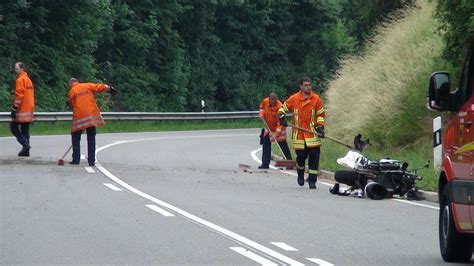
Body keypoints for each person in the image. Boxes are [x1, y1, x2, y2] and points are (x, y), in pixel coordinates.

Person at [278, 77, 325, 189]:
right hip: (299, 135)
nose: (308, 87)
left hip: (313, 134)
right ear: (301, 86)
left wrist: (320, 127)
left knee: (314, 157)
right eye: (305, 85)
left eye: (309, 85)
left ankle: (312, 181)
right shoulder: (294, 98)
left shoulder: (316, 99)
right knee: (301, 157)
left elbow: (320, 115)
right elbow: (282, 108)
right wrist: (282, 117)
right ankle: (300, 174)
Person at [67, 78, 115, 166]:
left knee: (75, 137)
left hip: (79, 118)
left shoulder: (71, 91)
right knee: (91, 138)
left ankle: (76, 159)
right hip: (90, 117)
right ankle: (91, 161)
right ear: (77, 81)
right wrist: (110, 89)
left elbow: (72, 105)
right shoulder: (87, 85)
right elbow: (99, 87)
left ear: (70, 84)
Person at [258, 92, 292, 169]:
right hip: (268, 128)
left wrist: (277, 134)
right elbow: (261, 107)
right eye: (272, 101)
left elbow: (280, 123)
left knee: (283, 145)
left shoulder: (280, 107)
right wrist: (261, 114)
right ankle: (265, 163)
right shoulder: (265, 101)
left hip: (279, 129)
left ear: (277, 100)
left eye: (275, 101)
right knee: (266, 143)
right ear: (269, 100)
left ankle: (289, 163)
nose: (274, 103)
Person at [10, 62, 35, 157]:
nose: (15, 70)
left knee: (13, 127)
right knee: (25, 130)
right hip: (29, 108)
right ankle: (26, 151)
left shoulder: (20, 80)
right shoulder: (28, 80)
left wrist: (14, 108)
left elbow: (19, 95)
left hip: (22, 109)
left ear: (22, 69)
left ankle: (25, 144)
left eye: (17, 69)